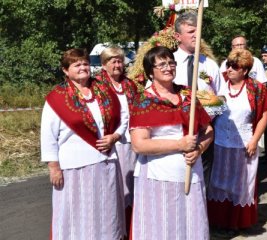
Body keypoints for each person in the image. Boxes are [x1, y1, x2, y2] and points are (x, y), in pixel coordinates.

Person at [41, 48, 126, 239]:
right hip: (74, 167)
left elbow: (123, 118)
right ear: (65, 70)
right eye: (76, 64)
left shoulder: (104, 90)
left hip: (106, 163)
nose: (82, 67)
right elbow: (48, 134)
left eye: (85, 63)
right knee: (78, 214)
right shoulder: (57, 97)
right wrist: (53, 166)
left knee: (105, 211)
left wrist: (115, 136)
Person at [130, 46, 213, 239]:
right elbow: (139, 145)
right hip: (159, 177)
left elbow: (208, 130)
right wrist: (179, 145)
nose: (168, 67)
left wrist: (199, 149)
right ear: (151, 71)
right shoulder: (144, 100)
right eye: (162, 64)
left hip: (191, 174)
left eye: (171, 63)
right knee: (164, 228)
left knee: (191, 227)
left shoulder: (188, 94)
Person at [207, 49, 267, 231]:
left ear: (244, 70)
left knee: (241, 184)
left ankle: (237, 223)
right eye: (228, 65)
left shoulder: (256, 89)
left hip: (244, 144)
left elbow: (263, 116)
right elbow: (209, 113)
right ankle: (219, 221)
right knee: (219, 183)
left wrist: (254, 140)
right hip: (220, 143)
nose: (229, 69)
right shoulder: (219, 86)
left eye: (234, 67)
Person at [174, 11, 224, 189]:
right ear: (178, 36)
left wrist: (206, 115)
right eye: (191, 31)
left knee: (202, 185)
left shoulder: (208, 65)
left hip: (205, 135)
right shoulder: (168, 63)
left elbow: (221, 98)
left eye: (198, 30)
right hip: (176, 135)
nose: (196, 35)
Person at [96, 46, 138, 235]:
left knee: (131, 185)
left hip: (132, 141)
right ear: (104, 65)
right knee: (114, 188)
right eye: (113, 61)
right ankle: (115, 229)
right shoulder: (96, 85)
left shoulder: (130, 85)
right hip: (111, 143)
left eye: (120, 60)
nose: (117, 64)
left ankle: (130, 227)